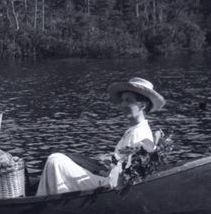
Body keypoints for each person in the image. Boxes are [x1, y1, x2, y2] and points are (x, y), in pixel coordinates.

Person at [35, 77, 165, 196]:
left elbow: (125, 175)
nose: (123, 105)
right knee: (59, 159)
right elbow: (121, 161)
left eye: (128, 101)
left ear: (142, 105)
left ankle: (47, 200)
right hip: (106, 178)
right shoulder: (135, 129)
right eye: (122, 100)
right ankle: (50, 197)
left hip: (109, 185)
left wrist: (106, 169)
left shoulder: (140, 133)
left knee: (55, 160)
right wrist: (103, 163)